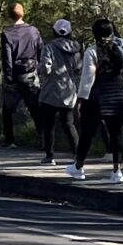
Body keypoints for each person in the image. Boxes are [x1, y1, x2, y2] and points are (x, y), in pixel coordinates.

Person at [75, 17, 123, 183]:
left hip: (97, 97)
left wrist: (81, 98)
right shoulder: (119, 50)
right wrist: (121, 89)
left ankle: (78, 167)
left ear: (95, 34)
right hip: (117, 96)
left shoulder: (92, 51)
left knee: (87, 132)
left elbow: (88, 77)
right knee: (116, 133)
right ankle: (117, 172)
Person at [33, 19, 84, 168]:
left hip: (50, 91)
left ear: (54, 31)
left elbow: (46, 68)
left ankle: (50, 156)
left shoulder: (49, 47)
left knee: (48, 125)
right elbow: (78, 69)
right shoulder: (75, 49)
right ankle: (77, 154)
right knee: (69, 124)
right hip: (68, 91)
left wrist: (39, 69)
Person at [0, 3, 43, 146]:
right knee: (35, 109)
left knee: (8, 110)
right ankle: (44, 138)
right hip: (31, 75)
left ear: (9, 15)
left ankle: (9, 140)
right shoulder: (34, 31)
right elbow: (41, 51)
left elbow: (7, 59)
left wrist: (9, 78)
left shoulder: (7, 33)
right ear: (23, 13)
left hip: (15, 76)